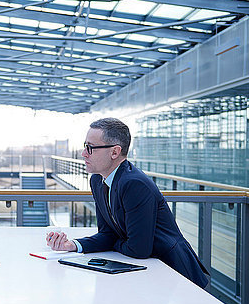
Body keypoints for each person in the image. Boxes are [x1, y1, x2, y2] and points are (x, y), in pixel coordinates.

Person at [47, 118, 209, 288]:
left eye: (90, 148)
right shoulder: (97, 180)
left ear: (115, 152)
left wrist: (115, 241)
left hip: (175, 274)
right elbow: (108, 234)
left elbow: (138, 249)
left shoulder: (134, 184)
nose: (84, 153)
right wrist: (72, 245)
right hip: (147, 273)